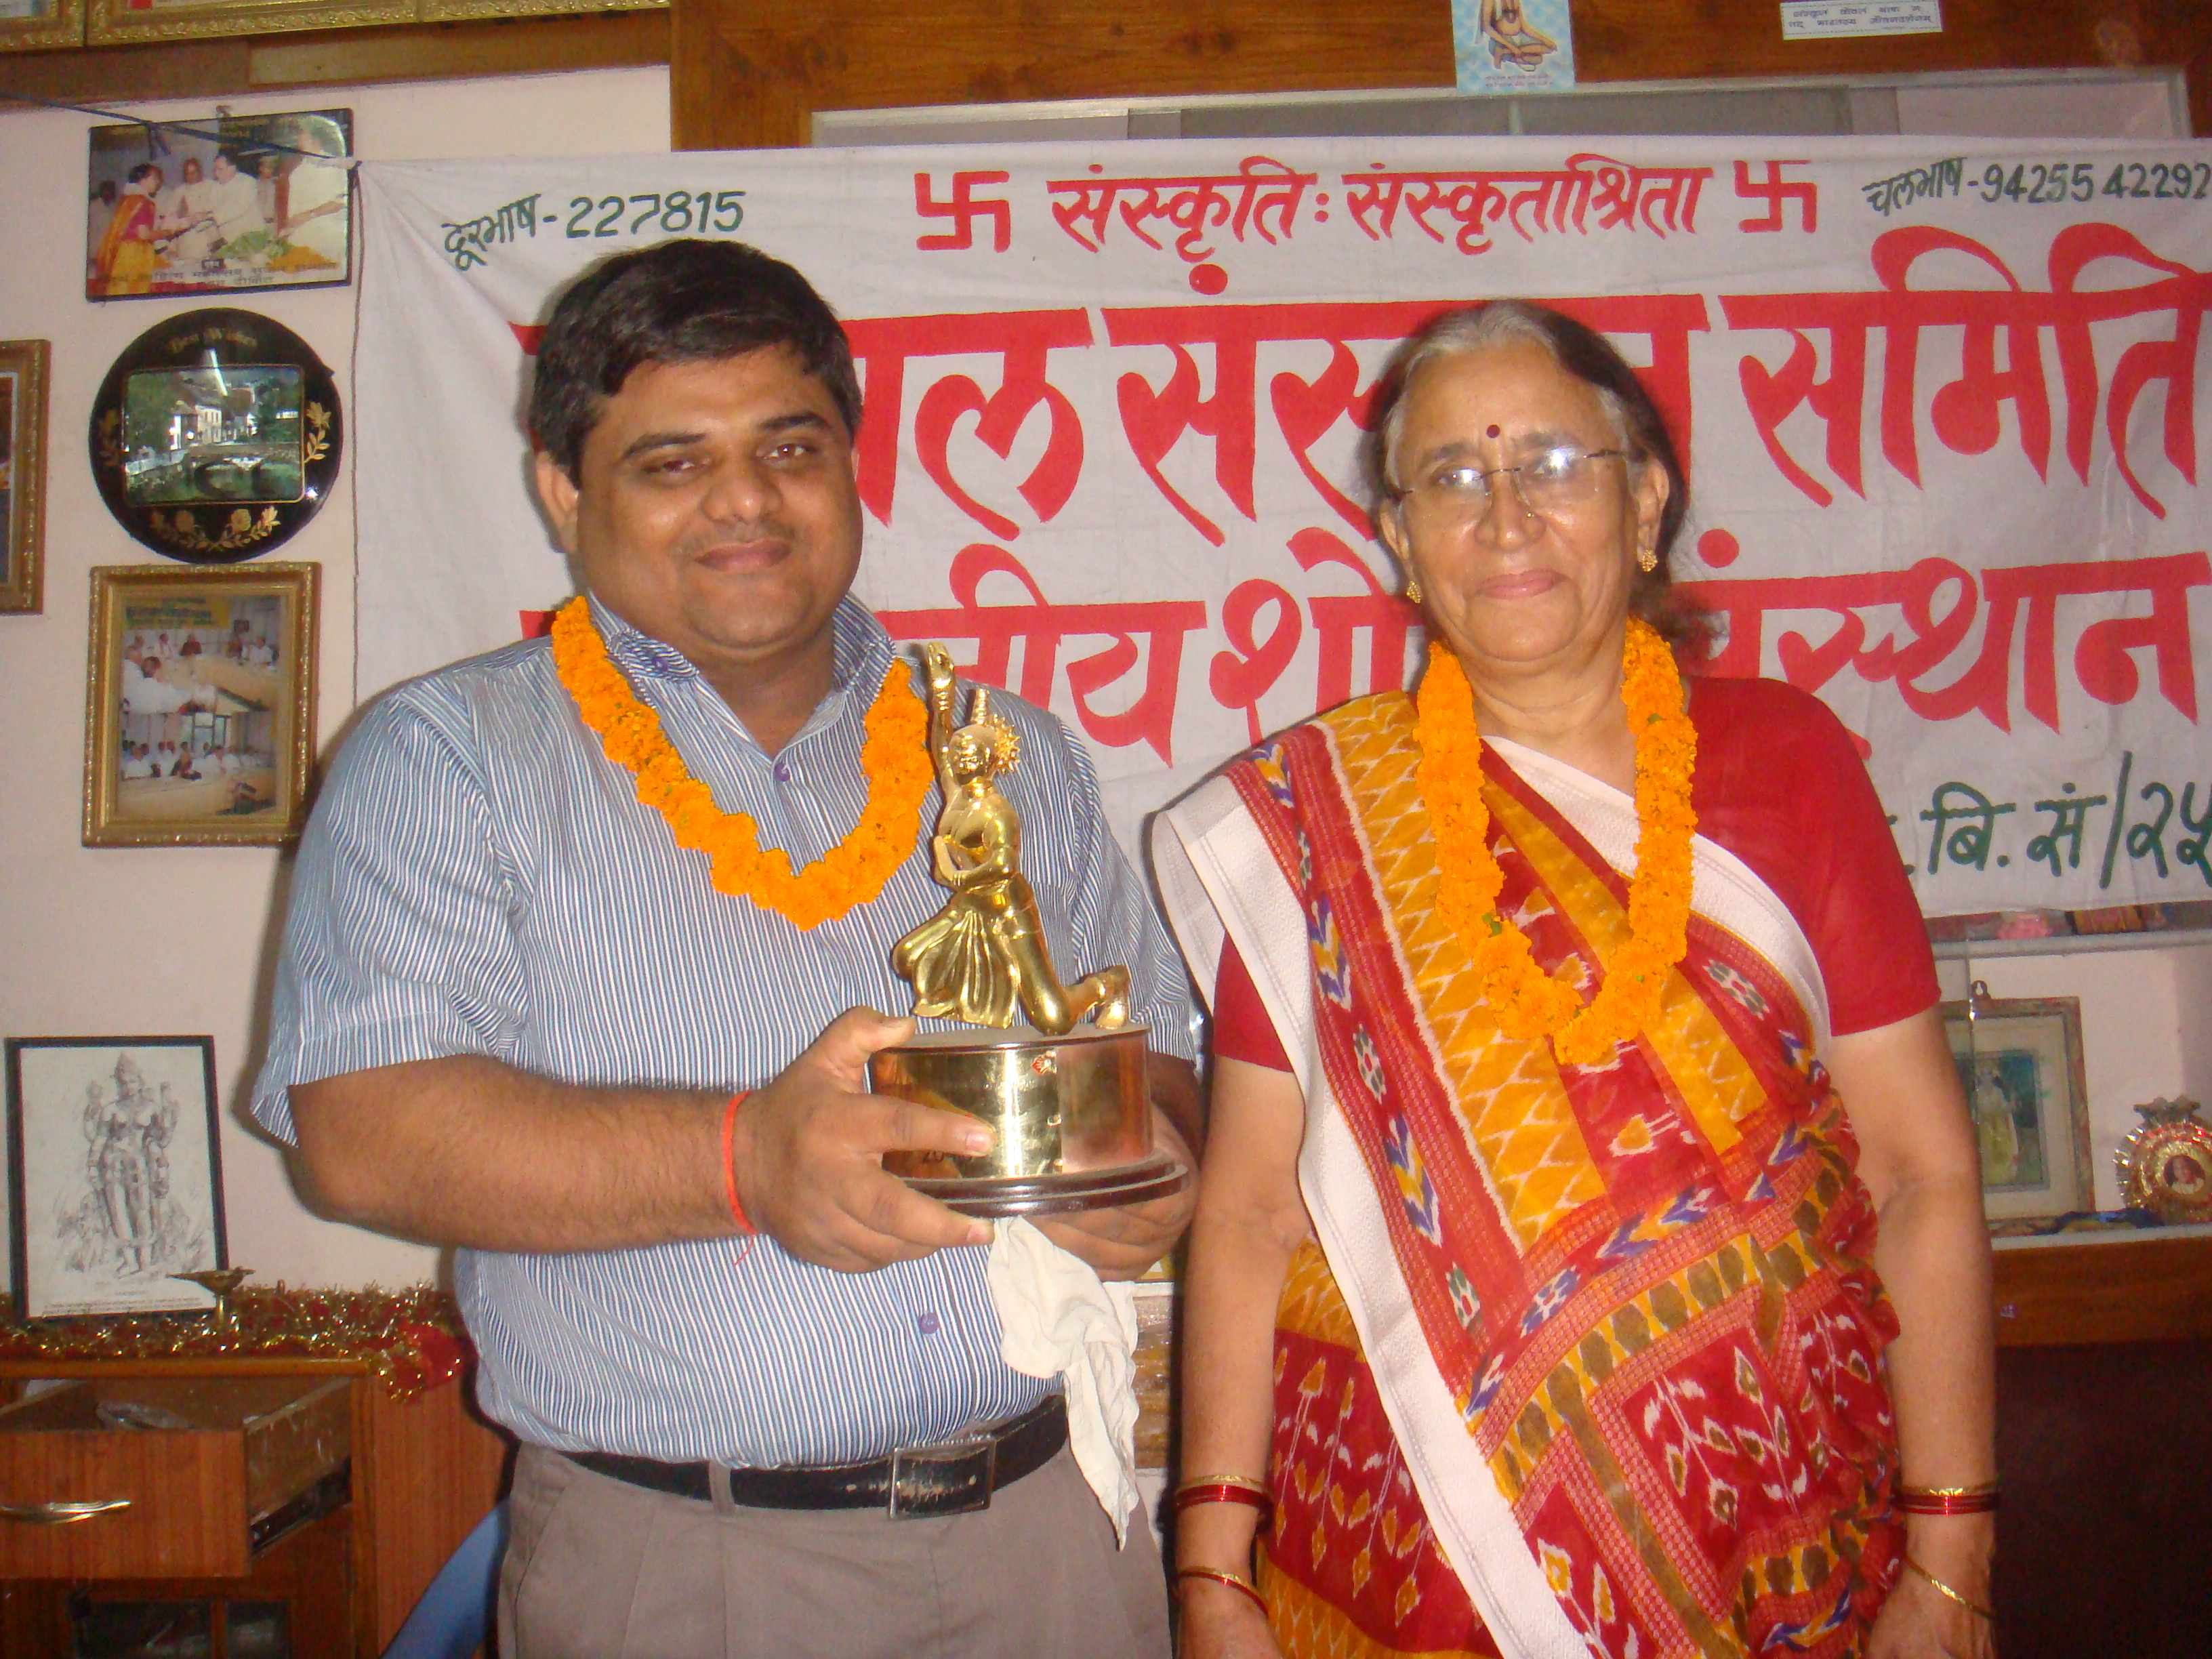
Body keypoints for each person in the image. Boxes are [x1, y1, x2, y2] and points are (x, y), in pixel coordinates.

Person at [251, 237, 1202, 1659]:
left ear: (852, 466)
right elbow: (360, 1132)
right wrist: (744, 1160)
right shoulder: (446, 758)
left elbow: (1162, 1063)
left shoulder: (1001, 749)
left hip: (1054, 1539)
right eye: (673, 462)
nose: (747, 500)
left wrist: (1155, 1167)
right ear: (562, 490)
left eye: (789, 447)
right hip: (688, 1568)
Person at [1156, 302, 1996, 1659]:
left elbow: (1919, 1176)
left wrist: (1951, 1555)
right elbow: (1251, 1215)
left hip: (1779, 1554)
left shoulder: (1787, 758)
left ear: (1644, 500)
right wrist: (1211, 1572)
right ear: (1398, 538)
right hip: (1417, 1569)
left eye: (1551, 465)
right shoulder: (1321, 825)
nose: (1504, 520)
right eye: (1452, 477)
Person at [92, 163, 161, 298]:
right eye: (154, 178)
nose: (157, 182)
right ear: (142, 180)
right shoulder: (144, 202)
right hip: (137, 254)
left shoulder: (128, 199)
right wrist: (170, 231)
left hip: (123, 253)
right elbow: (144, 235)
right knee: (134, 291)